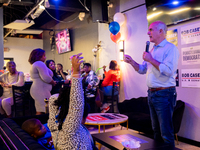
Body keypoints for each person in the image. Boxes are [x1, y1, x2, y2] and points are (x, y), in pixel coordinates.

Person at [124, 21, 179, 146]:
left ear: (160, 31)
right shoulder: (152, 50)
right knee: (156, 131)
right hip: (152, 94)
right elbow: (143, 70)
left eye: (151, 29)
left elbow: (169, 71)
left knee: (166, 133)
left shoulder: (170, 48)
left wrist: (151, 59)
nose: (148, 33)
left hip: (164, 94)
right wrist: (132, 62)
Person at [48, 53, 96, 150]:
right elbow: (76, 105)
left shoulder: (54, 123)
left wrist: (66, 95)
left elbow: (54, 98)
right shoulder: (70, 129)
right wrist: (76, 73)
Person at [28, 49, 56, 115]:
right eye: (44, 56)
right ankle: (46, 124)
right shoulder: (39, 63)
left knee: (40, 110)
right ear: (39, 56)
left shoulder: (36, 64)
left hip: (38, 90)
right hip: (40, 90)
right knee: (47, 109)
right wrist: (53, 82)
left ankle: (38, 124)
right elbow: (45, 77)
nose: (45, 57)